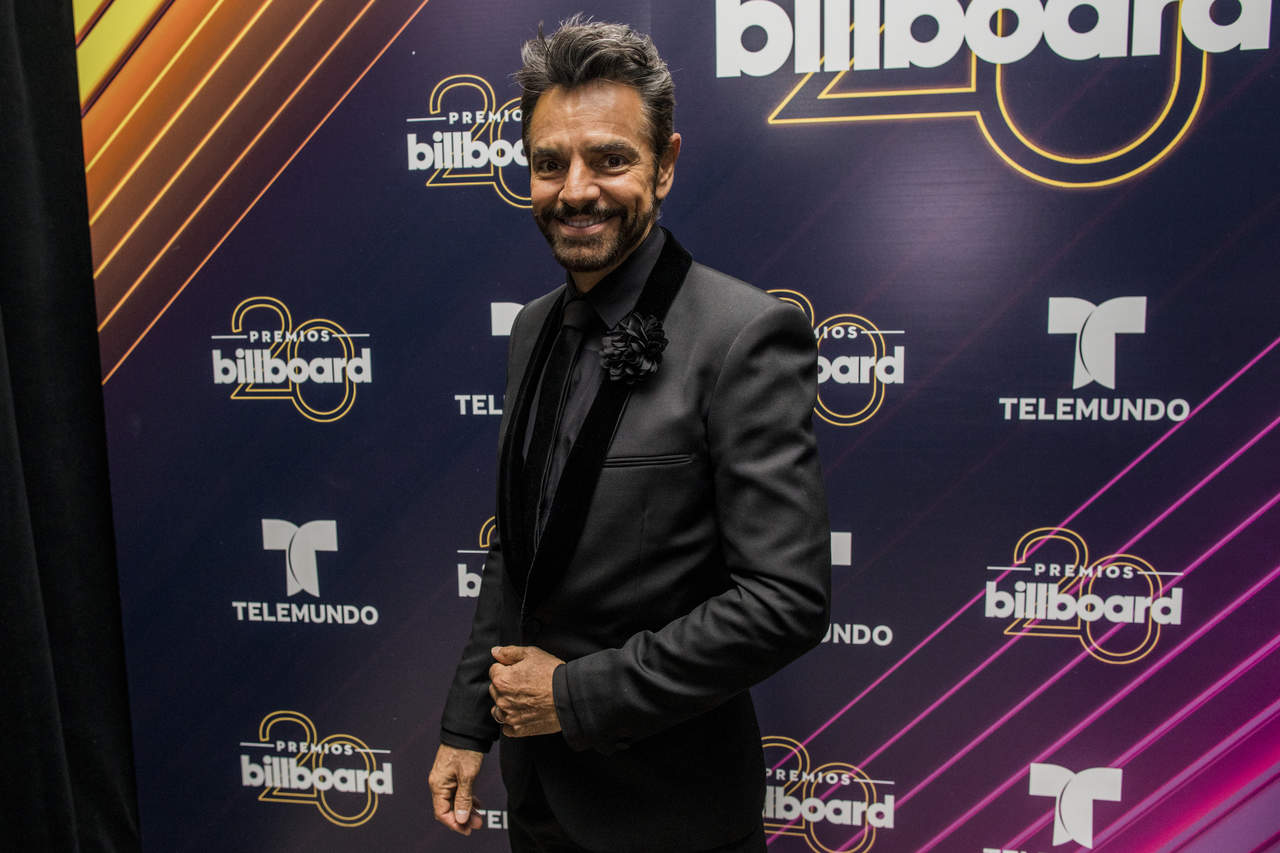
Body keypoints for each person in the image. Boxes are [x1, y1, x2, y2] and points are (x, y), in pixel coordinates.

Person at [428, 15, 831, 853]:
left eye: (609, 159)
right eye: (549, 163)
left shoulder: (745, 334)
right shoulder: (532, 328)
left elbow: (785, 602)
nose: (575, 190)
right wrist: (468, 724)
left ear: (666, 163)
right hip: (538, 802)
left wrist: (574, 695)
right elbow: (519, 551)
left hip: (671, 813)